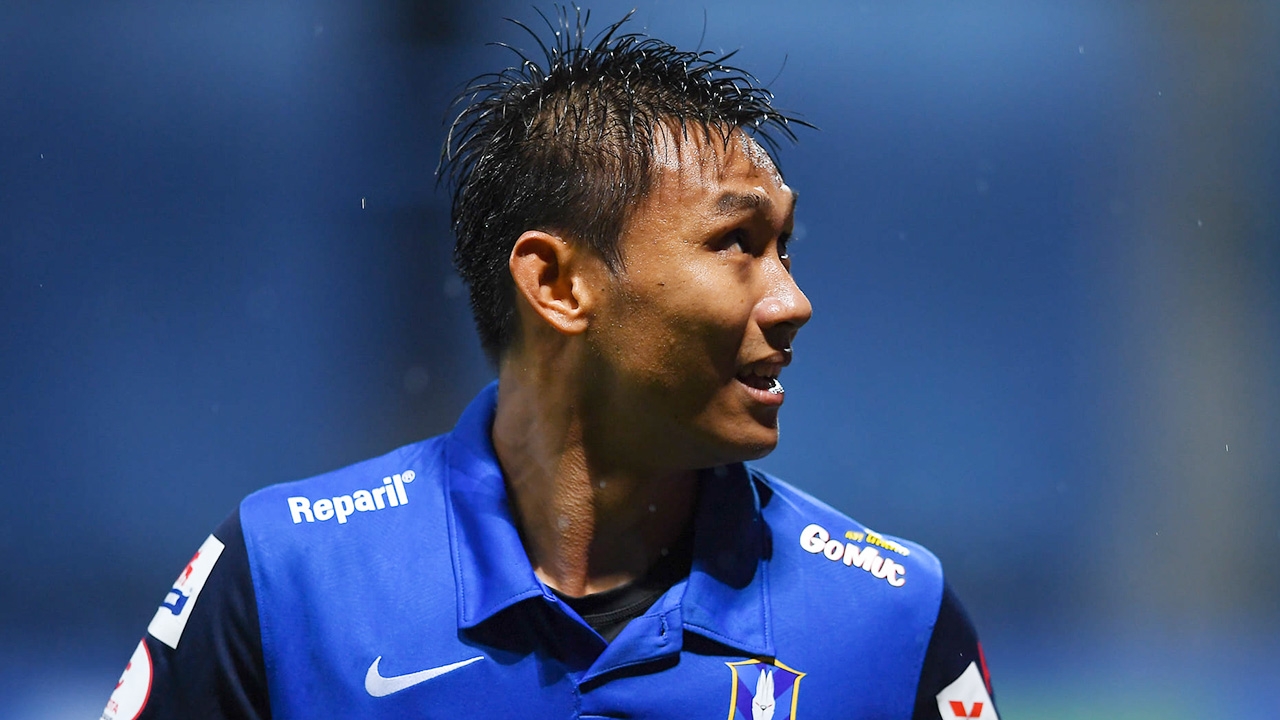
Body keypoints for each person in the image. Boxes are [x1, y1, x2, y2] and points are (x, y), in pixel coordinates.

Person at [103, 10, 999, 720]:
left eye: (784, 247)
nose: (792, 301)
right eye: (736, 243)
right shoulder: (285, 578)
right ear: (557, 283)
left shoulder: (892, 619)